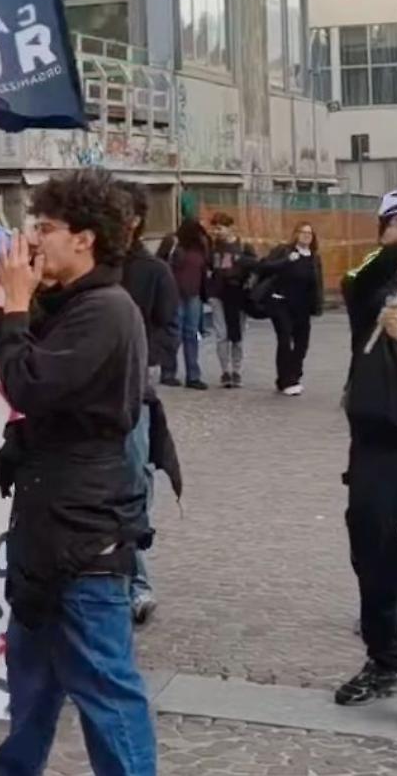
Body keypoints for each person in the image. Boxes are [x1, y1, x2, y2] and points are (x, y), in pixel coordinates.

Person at [0, 168, 155, 776]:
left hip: (83, 533)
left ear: (85, 238)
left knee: (105, 688)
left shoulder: (107, 311)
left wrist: (15, 303)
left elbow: (31, 383)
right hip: (52, 528)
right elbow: (29, 354)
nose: (34, 239)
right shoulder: (78, 305)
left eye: (45, 227)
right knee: (32, 679)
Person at [335, 192, 397, 706]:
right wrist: (395, 251)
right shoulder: (372, 272)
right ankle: (385, 656)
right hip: (379, 436)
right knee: (372, 542)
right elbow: (354, 286)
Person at [119, 181, 179, 625]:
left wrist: (143, 360)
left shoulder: (154, 271)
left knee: (134, 481)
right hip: (88, 393)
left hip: (133, 393)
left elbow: (168, 328)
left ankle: (136, 581)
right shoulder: (87, 266)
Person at [256, 221, 324, 396]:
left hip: (302, 306)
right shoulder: (284, 251)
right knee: (285, 339)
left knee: (302, 344)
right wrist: (286, 261)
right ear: (295, 234)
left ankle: (293, 375)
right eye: (302, 232)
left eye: (309, 233)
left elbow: (318, 283)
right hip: (280, 302)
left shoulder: (314, 258)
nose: (306, 236)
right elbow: (264, 266)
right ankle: (286, 380)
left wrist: (317, 305)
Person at [157, 217, 210, 390]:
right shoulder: (173, 242)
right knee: (175, 333)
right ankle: (169, 372)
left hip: (193, 294)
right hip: (175, 294)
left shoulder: (201, 245)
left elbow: (205, 269)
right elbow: (160, 263)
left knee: (190, 334)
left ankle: (192, 375)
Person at [208, 213, 256, 388]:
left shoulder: (243, 247)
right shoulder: (212, 247)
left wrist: (249, 283)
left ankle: (237, 370)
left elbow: (255, 267)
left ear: (230, 228)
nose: (216, 232)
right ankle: (225, 371)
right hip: (218, 294)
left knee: (238, 335)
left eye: (219, 228)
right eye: (214, 228)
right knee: (221, 334)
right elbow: (208, 268)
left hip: (238, 295)